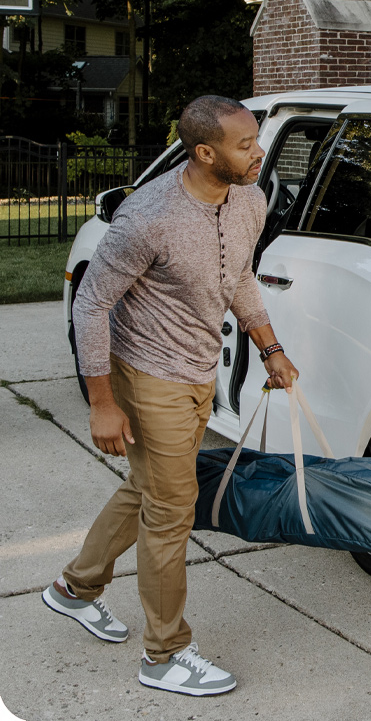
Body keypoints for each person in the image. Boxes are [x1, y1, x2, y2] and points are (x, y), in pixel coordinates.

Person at [43, 95, 300, 695]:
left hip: (198, 370)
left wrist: (270, 347)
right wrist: (103, 402)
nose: (259, 151)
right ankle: (164, 655)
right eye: (245, 145)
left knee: (147, 487)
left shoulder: (250, 201)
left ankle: (74, 588)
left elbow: (237, 276)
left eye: (255, 140)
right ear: (205, 152)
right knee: (170, 510)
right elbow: (92, 303)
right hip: (145, 373)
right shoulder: (149, 216)